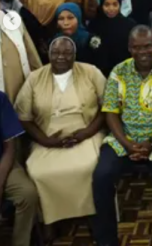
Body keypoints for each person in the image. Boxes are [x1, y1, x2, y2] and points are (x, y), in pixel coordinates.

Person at [92, 26, 152, 246]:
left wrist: (151, 142)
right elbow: (110, 111)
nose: (142, 52)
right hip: (124, 138)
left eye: (147, 46)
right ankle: (106, 240)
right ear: (129, 48)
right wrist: (127, 143)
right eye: (136, 47)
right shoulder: (118, 71)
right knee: (101, 176)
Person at [15, 37, 106, 228]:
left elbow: (107, 108)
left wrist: (86, 133)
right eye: (55, 53)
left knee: (89, 166)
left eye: (67, 53)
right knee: (38, 171)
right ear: (48, 54)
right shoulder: (34, 78)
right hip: (47, 135)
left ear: (75, 55)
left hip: (86, 130)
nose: (61, 57)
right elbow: (24, 117)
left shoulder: (91, 72)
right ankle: (49, 221)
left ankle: (93, 215)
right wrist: (46, 141)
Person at [1, 90, 39, 246]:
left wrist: (0, 183)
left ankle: (21, 242)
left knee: (27, 193)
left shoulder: (1, 99)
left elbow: (9, 147)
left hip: (3, 163)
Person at [88, 0, 136, 77]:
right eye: (107, 5)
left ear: (120, 4)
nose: (111, 8)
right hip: (100, 74)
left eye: (115, 4)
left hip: (124, 73)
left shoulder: (129, 25)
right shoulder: (94, 25)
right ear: (101, 5)